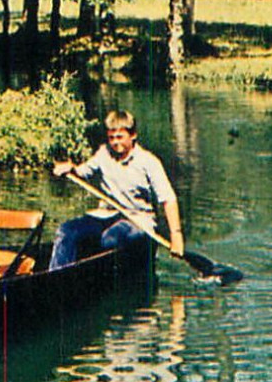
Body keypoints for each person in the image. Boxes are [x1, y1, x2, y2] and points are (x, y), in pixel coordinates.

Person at [48, 110, 184, 269]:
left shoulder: (149, 162)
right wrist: (70, 168)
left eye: (120, 137)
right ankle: (59, 275)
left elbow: (168, 198)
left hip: (138, 219)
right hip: (107, 215)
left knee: (111, 239)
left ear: (133, 135)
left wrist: (176, 234)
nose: (115, 142)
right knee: (66, 231)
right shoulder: (104, 153)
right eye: (111, 138)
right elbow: (83, 171)